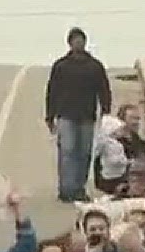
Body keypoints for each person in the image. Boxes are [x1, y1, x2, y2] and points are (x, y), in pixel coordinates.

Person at [45, 26, 113, 203]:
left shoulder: (94, 66)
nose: (78, 43)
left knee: (84, 153)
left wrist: (106, 110)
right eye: (75, 40)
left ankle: (78, 188)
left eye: (81, 39)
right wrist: (50, 116)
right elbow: (52, 91)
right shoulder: (61, 66)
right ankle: (66, 188)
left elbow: (104, 89)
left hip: (87, 116)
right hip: (65, 115)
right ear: (70, 43)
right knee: (67, 151)